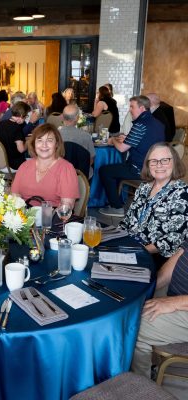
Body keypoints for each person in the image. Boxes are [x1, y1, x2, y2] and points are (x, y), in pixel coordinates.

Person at [119, 143, 188, 266]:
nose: (159, 165)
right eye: (154, 161)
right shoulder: (144, 187)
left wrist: (140, 251)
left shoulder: (182, 193)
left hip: (157, 255)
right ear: (148, 165)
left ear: (174, 162)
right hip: (132, 245)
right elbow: (127, 220)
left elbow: (174, 238)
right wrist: (115, 238)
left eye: (165, 160)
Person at [99, 95, 165, 217]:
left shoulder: (140, 124)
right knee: (116, 169)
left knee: (105, 170)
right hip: (156, 167)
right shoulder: (158, 123)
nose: (130, 109)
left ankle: (116, 207)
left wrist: (113, 140)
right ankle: (118, 199)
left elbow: (122, 148)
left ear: (142, 108)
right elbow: (146, 140)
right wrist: (127, 138)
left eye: (132, 107)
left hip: (141, 169)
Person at [131, 243, 188, 378]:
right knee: (128, 301)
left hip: (182, 304)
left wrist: (174, 303)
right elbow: (178, 259)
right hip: (175, 293)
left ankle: (140, 385)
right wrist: (149, 287)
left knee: (133, 327)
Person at [11, 123, 79, 208]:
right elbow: (15, 196)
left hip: (52, 218)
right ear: (33, 144)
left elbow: (66, 208)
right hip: (24, 217)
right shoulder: (24, 166)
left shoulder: (66, 169)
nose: (44, 145)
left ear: (57, 144)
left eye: (49, 140)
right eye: (39, 140)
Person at [60, 104, 96, 177]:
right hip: (81, 176)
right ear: (77, 118)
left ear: (62, 117)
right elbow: (91, 160)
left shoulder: (55, 135)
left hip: (59, 173)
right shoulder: (86, 136)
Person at [0, 102, 30, 171]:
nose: (25, 118)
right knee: (35, 161)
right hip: (13, 164)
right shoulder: (17, 128)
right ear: (21, 115)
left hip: (0, 161)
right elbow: (21, 150)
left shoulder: (2, 123)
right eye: (26, 116)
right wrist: (28, 142)